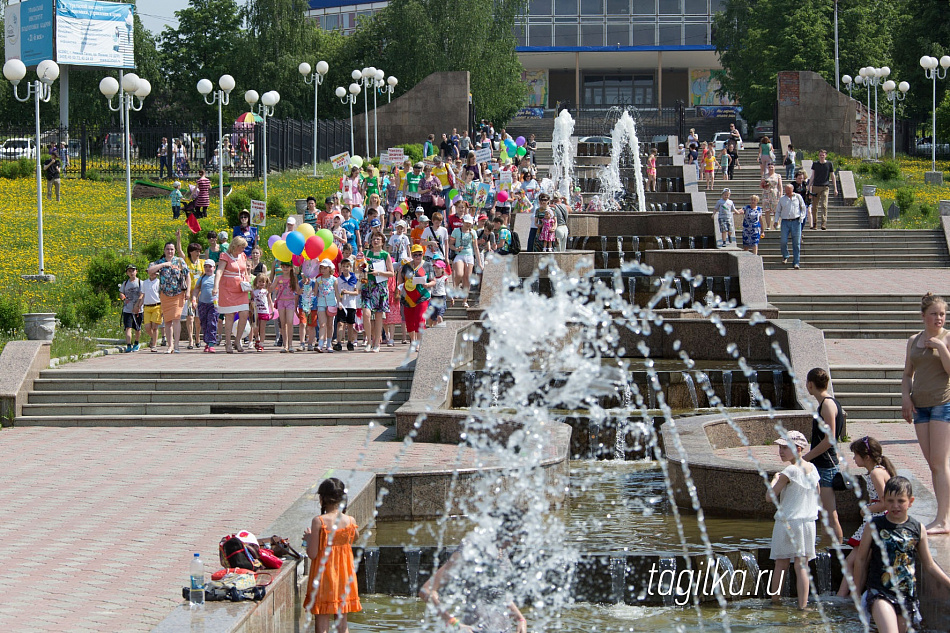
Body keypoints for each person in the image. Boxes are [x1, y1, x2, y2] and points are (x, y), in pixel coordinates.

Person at [852, 477, 950, 633]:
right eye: (890, 501)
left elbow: (929, 565)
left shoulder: (917, 528)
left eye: (901, 501)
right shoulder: (874, 525)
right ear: (883, 500)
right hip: (880, 592)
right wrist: (856, 591)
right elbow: (861, 559)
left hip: (907, 595)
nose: (895, 506)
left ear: (910, 501)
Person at [419, 511, 528, 633]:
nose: (517, 539)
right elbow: (426, 590)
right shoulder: (471, 548)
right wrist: (455, 624)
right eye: (515, 533)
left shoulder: (502, 551)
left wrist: (520, 618)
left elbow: (497, 592)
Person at [901, 292, 950, 534]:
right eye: (934, 314)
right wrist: (905, 397)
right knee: (933, 465)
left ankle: (943, 520)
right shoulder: (913, 340)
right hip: (920, 406)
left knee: (940, 464)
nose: (939, 318)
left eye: (942, 314)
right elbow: (907, 374)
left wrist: (941, 347)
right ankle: (942, 515)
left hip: (943, 404)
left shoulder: (948, 338)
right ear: (923, 316)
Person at [767, 430, 820, 610]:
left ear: (798, 449)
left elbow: (769, 497)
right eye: (780, 447)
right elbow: (817, 493)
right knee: (802, 566)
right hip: (808, 523)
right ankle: (803, 606)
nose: (780, 451)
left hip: (788, 522)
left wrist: (774, 480)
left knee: (781, 564)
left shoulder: (789, 470)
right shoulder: (813, 469)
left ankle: (775, 603)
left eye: (785, 447)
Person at [837, 436, 896, 597]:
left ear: (867, 457)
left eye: (856, 455)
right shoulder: (874, 472)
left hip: (876, 521)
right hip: (872, 520)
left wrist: (867, 508)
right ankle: (842, 596)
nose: (854, 459)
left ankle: (851, 596)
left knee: (857, 561)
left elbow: (886, 502)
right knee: (852, 561)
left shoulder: (877, 473)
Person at [303, 478, 362, 633]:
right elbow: (355, 536)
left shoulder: (319, 522)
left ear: (322, 499)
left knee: (322, 621)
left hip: (323, 577)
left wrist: (308, 540)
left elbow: (313, 554)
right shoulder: (350, 520)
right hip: (344, 576)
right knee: (342, 623)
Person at [802, 367, 845, 541]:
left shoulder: (827, 404)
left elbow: (830, 439)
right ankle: (828, 549)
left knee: (830, 514)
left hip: (826, 466)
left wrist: (806, 457)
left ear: (810, 384)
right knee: (824, 516)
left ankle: (839, 552)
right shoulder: (827, 403)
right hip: (822, 465)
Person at [148, 241, 191, 354]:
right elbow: (150, 271)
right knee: (167, 321)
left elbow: (187, 276)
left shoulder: (179, 261)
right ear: (164, 250)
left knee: (176, 318)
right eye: (168, 249)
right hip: (165, 294)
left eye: (172, 249)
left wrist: (188, 291)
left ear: (174, 251)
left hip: (178, 294)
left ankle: (176, 345)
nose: (170, 251)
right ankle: (170, 345)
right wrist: (163, 265)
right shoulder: (160, 262)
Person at [213, 236, 251, 354]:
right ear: (235, 246)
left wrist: (249, 283)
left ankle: (237, 340)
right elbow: (219, 271)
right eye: (241, 247)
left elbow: (245, 271)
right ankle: (228, 342)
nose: (243, 249)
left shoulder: (243, 256)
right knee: (229, 316)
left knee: (244, 313)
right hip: (228, 288)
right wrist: (215, 286)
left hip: (241, 288)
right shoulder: (225, 256)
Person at [360, 230, 395, 353]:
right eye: (374, 239)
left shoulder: (385, 255)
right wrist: (361, 267)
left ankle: (377, 343)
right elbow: (358, 268)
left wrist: (379, 273)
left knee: (379, 316)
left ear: (382, 241)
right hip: (367, 286)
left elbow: (391, 273)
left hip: (380, 287)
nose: (375, 241)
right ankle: (368, 341)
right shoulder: (366, 253)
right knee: (366, 314)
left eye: (378, 239)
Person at [399, 245, 434, 351]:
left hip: (422, 295)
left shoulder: (428, 265)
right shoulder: (406, 266)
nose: (417, 256)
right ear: (412, 255)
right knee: (409, 321)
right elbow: (400, 281)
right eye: (415, 254)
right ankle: (413, 341)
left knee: (420, 318)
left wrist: (428, 285)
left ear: (422, 254)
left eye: (419, 254)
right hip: (408, 296)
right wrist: (400, 288)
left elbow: (433, 281)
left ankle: (418, 342)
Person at [450, 215, 483, 307]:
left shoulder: (473, 232)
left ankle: (465, 300)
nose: (468, 225)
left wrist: (479, 262)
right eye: (467, 223)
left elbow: (476, 247)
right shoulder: (456, 231)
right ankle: (456, 288)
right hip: (459, 255)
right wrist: (456, 249)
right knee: (459, 274)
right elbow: (450, 244)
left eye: (470, 223)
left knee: (467, 278)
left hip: (469, 255)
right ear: (463, 222)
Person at [270, 261, 300, 353]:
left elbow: (298, 291)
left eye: (287, 267)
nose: (285, 268)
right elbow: (271, 288)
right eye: (283, 267)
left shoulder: (293, 278)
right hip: (281, 302)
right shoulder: (278, 278)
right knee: (283, 323)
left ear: (291, 268)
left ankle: (290, 345)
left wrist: (304, 284)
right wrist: (267, 283)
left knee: (289, 322)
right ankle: (285, 345)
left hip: (290, 301)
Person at [313, 259, 341, 353]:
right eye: (321, 268)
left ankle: (329, 343)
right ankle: (321, 343)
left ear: (330, 268)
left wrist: (339, 302)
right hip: (321, 303)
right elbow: (315, 292)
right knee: (322, 324)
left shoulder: (334, 279)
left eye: (325, 268)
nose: (323, 270)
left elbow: (337, 292)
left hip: (331, 303)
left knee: (330, 324)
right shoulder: (318, 280)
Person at [776, 183, 806, 269]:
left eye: (789, 191)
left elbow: (803, 207)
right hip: (785, 221)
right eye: (786, 191)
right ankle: (785, 255)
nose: (788, 193)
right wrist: (776, 220)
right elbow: (778, 211)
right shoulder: (782, 199)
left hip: (796, 221)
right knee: (783, 241)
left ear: (792, 190)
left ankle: (796, 262)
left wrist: (802, 217)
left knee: (796, 243)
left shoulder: (798, 197)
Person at [808, 149, 838, 230]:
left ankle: (823, 223)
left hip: (825, 186)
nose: (821, 156)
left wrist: (835, 188)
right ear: (819, 156)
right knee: (815, 206)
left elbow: (832, 176)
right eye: (820, 155)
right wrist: (809, 186)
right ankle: (815, 223)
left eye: (823, 155)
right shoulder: (815, 164)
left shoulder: (829, 164)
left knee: (824, 205)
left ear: (825, 156)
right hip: (816, 186)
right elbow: (813, 176)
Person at [335, 258, 359, 352]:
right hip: (342, 304)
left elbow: (356, 292)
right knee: (340, 323)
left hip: (351, 304)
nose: (345, 268)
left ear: (350, 268)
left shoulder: (354, 279)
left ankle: (350, 342)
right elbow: (337, 292)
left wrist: (347, 292)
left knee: (350, 324)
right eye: (344, 266)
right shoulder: (338, 280)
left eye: (347, 266)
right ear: (341, 268)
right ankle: (339, 343)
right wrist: (339, 301)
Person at [119, 264, 144, 353]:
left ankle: (136, 343)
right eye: (129, 271)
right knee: (128, 327)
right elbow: (121, 292)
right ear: (127, 273)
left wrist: (137, 306)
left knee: (137, 328)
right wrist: (122, 296)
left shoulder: (140, 282)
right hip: (127, 309)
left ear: (136, 271)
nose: (131, 272)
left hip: (138, 309)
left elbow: (142, 294)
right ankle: (129, 345)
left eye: (133, 270)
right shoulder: (125, 283)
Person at [195, 259, 218, 353]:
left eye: (210, 267)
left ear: (214, 268)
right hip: (202, 303)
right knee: (204, 323)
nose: (208, 269)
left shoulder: (217, 277)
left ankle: (212, 343)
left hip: (214, 304)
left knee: (212, 322)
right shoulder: (201, 278)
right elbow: (196, 289)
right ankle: (207, 342)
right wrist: (193, 299)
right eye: (206, 267)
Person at [250, 273, 272, 353]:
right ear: (256, 282)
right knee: (255, 328)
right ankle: (257, 339)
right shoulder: (254, 292)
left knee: (262, 328)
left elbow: (269, 301)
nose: (261, 283)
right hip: (256, 311)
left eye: (263, 282)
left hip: (264, 311)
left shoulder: (266, 292)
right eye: (260, 281)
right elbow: (251, 301)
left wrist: (271, 310)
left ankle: (261, 344)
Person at [141, 268, 162, 352]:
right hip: (146, 306)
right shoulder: (145, 283)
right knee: (147, 327)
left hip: (157, 306)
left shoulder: (159, 282)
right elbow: (143, 294)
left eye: (154, 272)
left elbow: (161, 295)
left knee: (154, 326)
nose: (152, 274)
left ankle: (154, 344)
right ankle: (154, 338)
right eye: (151, 272)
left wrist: (163, 308)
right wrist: (139, 305)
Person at [761, 163, 782, 231]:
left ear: (774, 168)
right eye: (769, 167)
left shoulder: (778, 176)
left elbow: (780, 186)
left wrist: (780, 194)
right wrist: (764, 184)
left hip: (774, 193)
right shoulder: (765, 176)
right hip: (766, 193)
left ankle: (776, 223)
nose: (771, 168)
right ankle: (768, 225)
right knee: (767, 210)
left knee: (775, 210)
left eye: (772, 167)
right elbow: (761, 185)